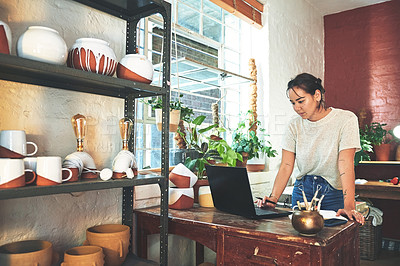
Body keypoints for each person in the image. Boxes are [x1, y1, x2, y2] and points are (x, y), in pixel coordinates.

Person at [256, 73, 365, 224]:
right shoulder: (294, 125)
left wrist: (349, 206)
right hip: (302, 192)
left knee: (335, 241)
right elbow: (286, 165)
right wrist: (273, 198)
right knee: (301, 242)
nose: (297, 108)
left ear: (317, 95)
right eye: (292, 103)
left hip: (333, 192)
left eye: (301, 101)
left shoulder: (346, 119)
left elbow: (345, 163)